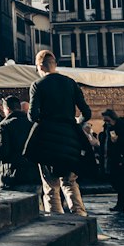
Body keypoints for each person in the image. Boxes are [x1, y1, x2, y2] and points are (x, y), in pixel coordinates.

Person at [27, 48, 90, 215]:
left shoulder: (37, 85)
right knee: (70, 181)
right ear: (54, 64)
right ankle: (80, 215)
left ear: (40, 66)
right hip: (70, 137)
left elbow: (32, 116)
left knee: (50, 185)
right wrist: (76, 122)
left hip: (47, 140)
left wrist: (44, 120)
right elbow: (87, 113)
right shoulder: (70, 83)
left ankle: (56, 220)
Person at [0, 95, 38, 191]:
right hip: (33, 173)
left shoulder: (4, 125)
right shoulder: (32, 123)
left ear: (7, 109)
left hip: (13, 175)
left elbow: (3, 152)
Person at [102, 110, 124, 212]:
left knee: (120, 181)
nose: (105, 121)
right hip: (112, 158)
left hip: (121, 158)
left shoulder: (122, 127)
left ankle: (121, 204)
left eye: (107, 119)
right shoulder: (109, 128)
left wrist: (119, 141)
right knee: (115, 181)